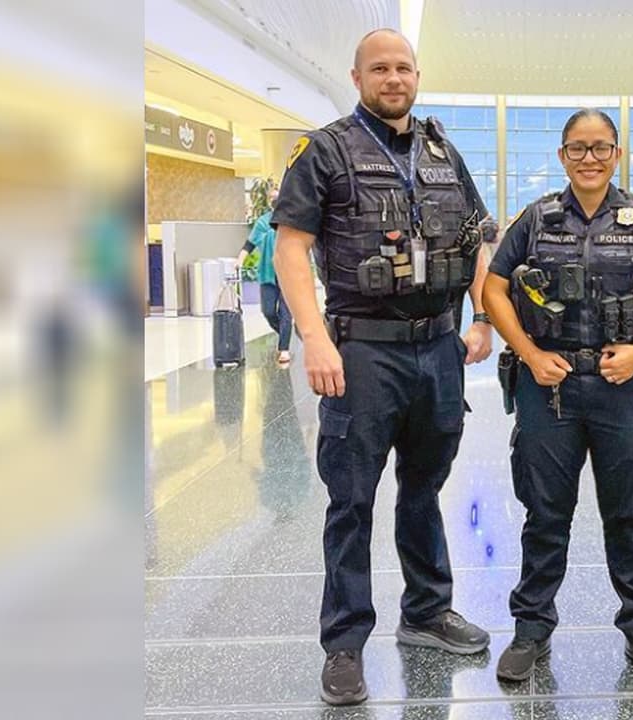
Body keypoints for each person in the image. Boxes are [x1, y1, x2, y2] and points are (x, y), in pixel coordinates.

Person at [271, 28, 497, 707]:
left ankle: (427, 612)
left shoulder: (441, 151)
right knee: (352, 500)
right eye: (380, 68)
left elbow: (478, 240)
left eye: (402, 67)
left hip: (438, 350)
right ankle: (343, 643)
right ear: (358, 75)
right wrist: (313, 337)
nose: (392, 77)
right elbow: (291, 248)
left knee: (425, 488)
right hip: (361, 351)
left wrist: (482, 317)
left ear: (416, 75)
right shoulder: (326, 150)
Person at [483, 108, 633, 684]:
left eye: (600, 148)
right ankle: (530, 630)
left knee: (629, 515)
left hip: (625, 386)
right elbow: (493, 288)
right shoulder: (535, 219)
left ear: (617, 155)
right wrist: (529, 353)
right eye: (578, 148)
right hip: (549, 389)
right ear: (561, 156)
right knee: (545, 515)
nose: (589, 158)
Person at [237, 188, 293, 365]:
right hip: (268, 273)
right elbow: (250, 244)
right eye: (272, 198)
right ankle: (284, 335)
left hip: (288, 273)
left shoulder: (292, 221)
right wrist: (240, 260)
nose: (275, 201)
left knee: (286, 313)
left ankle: (284, 348)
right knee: (268, 311)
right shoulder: (263, 222)